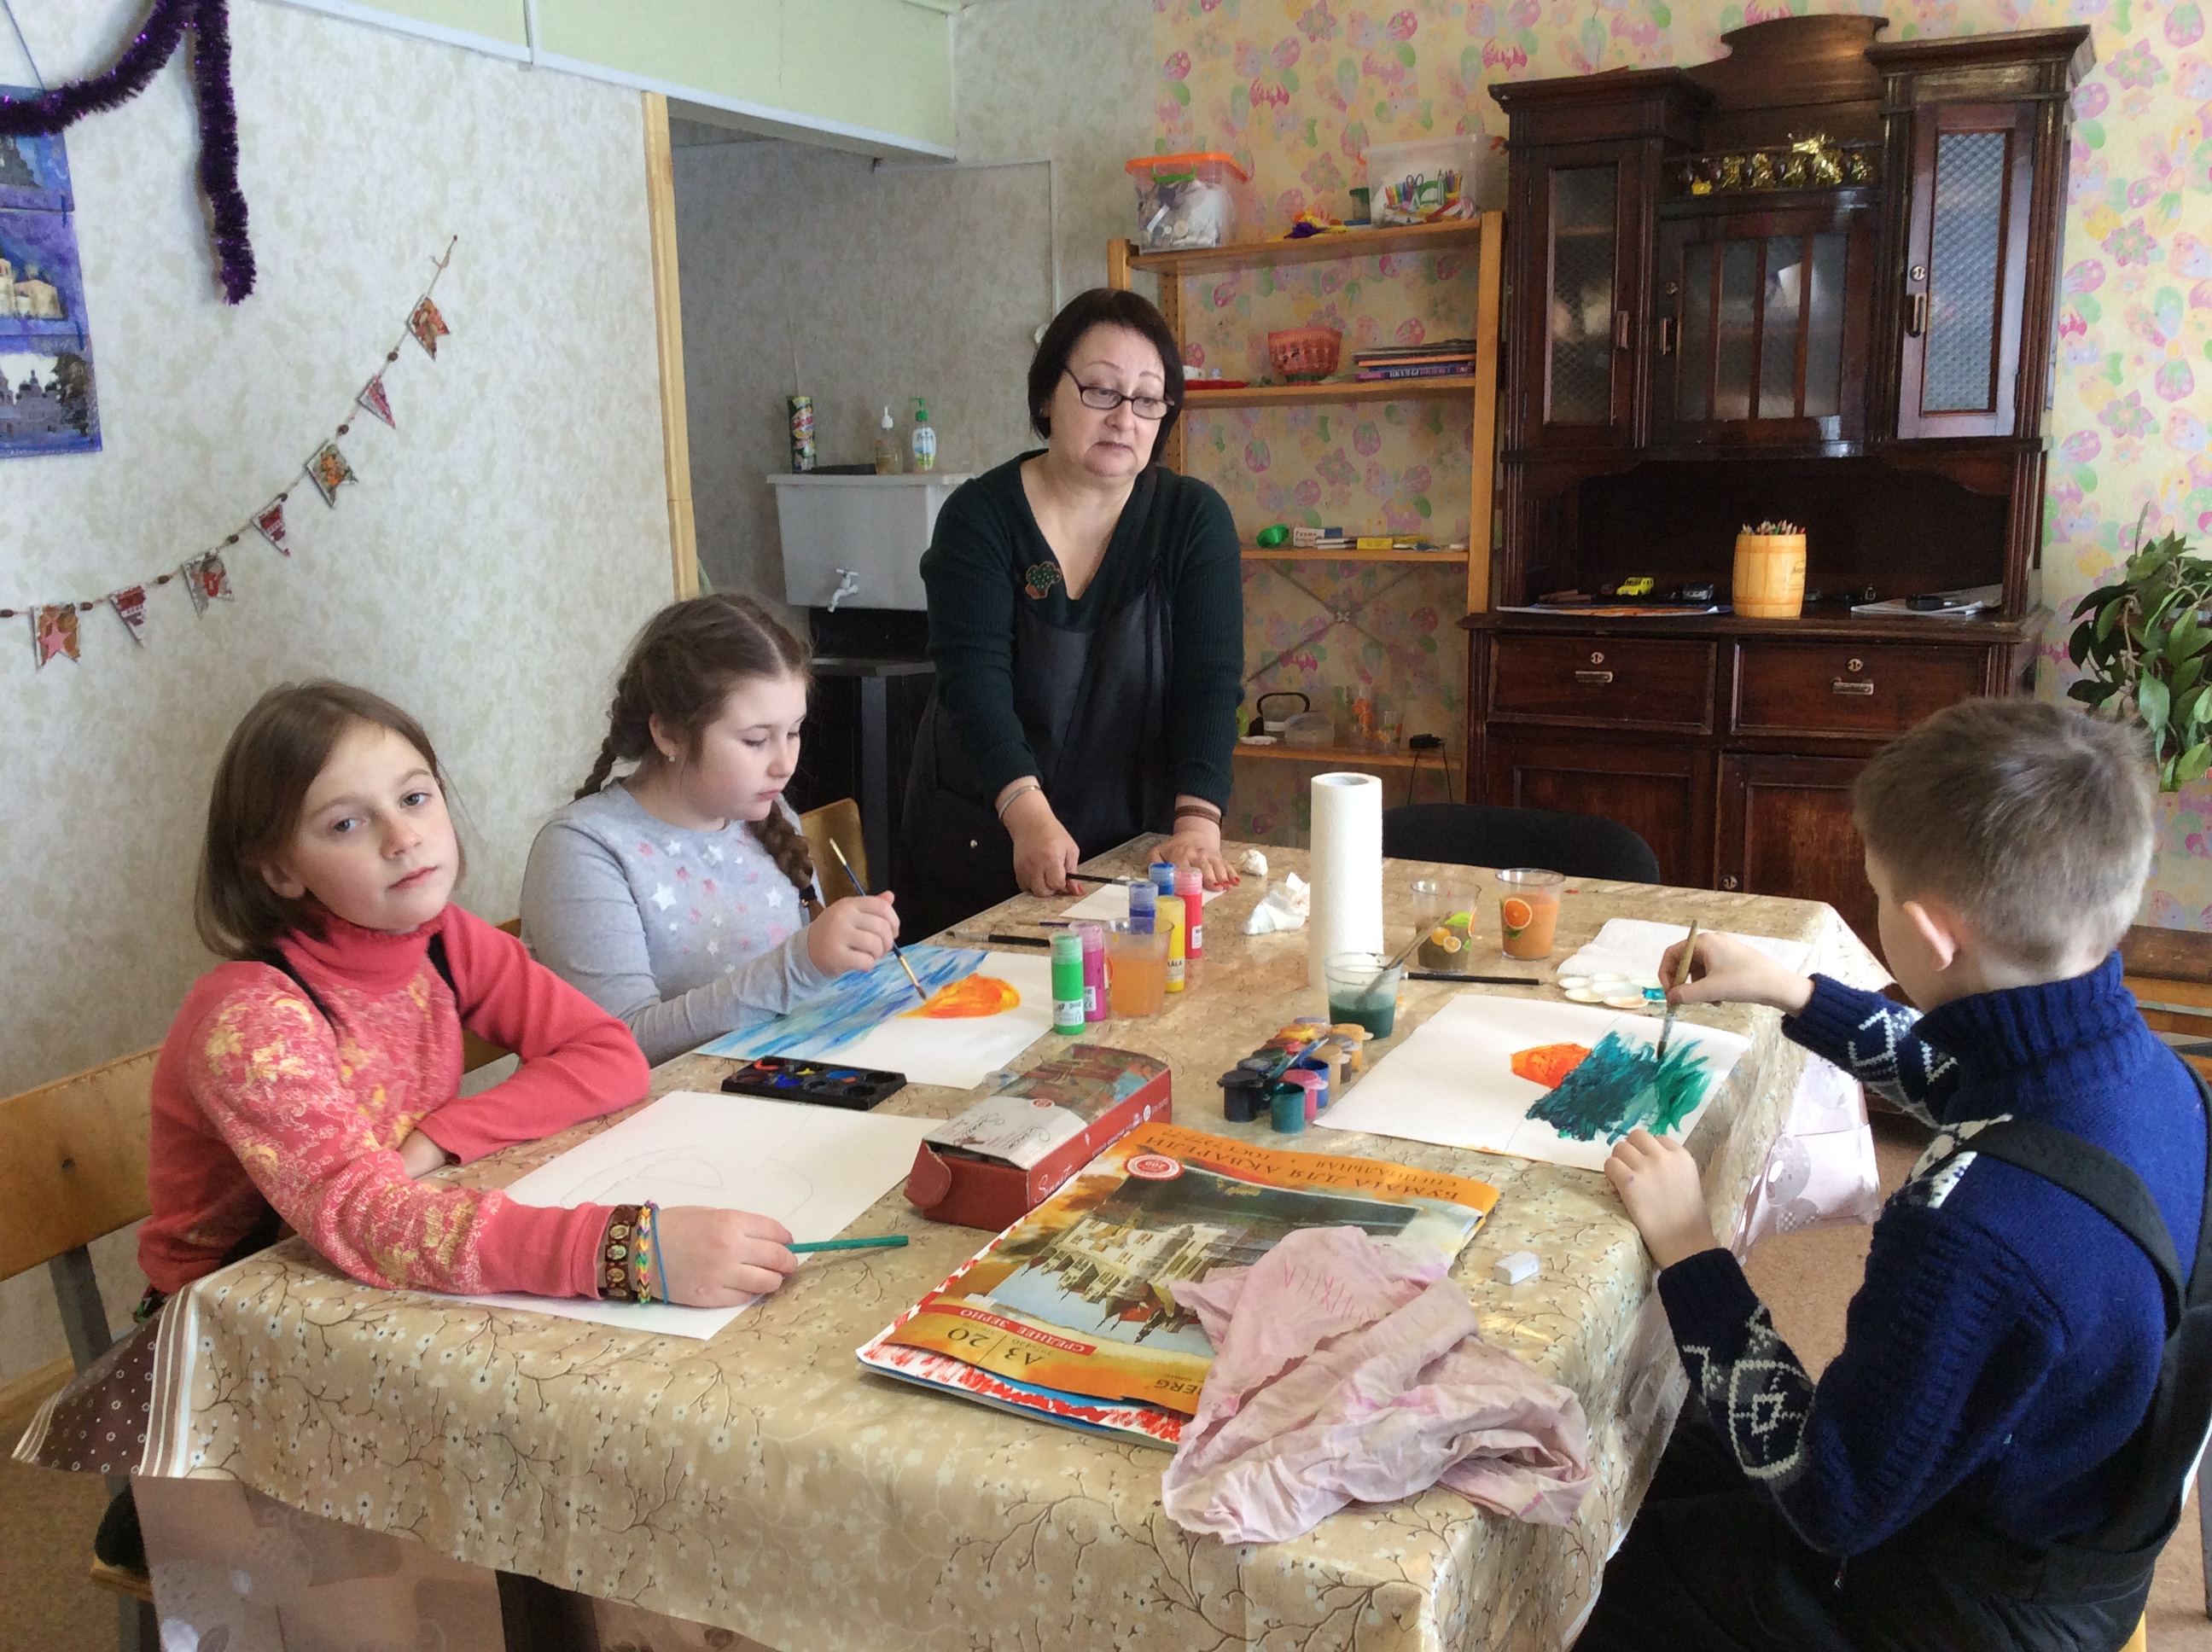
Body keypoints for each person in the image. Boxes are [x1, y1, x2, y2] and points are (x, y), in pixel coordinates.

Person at [1580, 698, 2207, 1651]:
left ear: (1930, 933)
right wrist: (1790, 989)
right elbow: (1971, 1078)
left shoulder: (1971, 1233)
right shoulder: (2152, 1075)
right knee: (1650, 1449)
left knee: (1600, 1563)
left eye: (1873, 890)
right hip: (2056, 1511)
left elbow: (1830, 1494)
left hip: (1971, 1601)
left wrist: (1693, 1252)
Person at [131, 680, 800, 1311]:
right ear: (280, 870)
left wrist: (436, 1139)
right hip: (226, 1316)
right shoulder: (252, 1021)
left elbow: (609, 1054)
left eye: (414, 798)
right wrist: (626, 1250)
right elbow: (365, 1219)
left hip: (383, 1267)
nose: (403, 838)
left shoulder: (444, 941)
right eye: (346, 824)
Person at [899, 287, 1244, 942]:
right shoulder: (979, 518)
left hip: (1129, 845)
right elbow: (974, 685)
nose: (1124, 418)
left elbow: (1209, 681)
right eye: (1101, 391)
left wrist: (1198, 824)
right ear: (1045, 397)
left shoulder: (1192, 519)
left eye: (1148, 399)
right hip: (984, 830)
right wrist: (1028, 815)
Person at [523, 594, 899, 1066]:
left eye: (794, 732)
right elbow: (622, 1045)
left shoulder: (766, 812)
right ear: (668, 734)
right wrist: (800, 965)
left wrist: (840, 949)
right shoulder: (583, 849)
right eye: (755, 740)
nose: (785, 763)